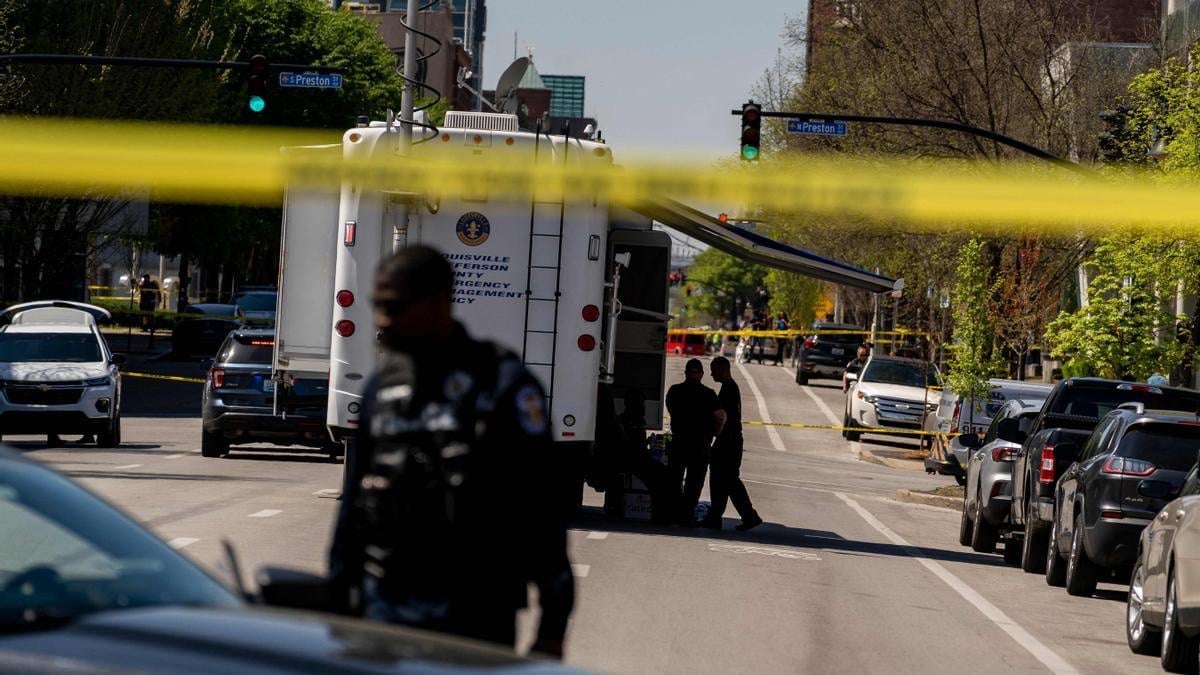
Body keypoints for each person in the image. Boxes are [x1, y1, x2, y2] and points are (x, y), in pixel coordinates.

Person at [328, 245, 573, 657]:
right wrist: (337, 603)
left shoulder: (504, 386)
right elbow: (353, 506)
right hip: (385, 612)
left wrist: (553, 625)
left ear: (439, 303)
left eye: (395, 307)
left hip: (474, 617)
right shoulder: (381, 390)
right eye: (379, 306)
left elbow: (541, 510)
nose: (382, 320)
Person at [701, 357, 762, 531]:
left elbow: (722, 418)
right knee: (724, 480)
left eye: (714, 370)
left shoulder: (729, 389)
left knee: (726, 480)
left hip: (729, 440)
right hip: (729, 440)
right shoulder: (729, 388)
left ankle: (747, 515)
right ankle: (720, 516)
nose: (711, 374)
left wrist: (714, 433)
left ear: (723, 369)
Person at [664, 358, 725, 526]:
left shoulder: (674, 391)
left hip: (679, 441)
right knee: (695, 482)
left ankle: (672, 513)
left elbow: (670, 409)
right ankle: (686, 515)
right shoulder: (709, 393)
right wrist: (715, 432)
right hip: (700, 443)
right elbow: (720, 416)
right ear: (701, 374)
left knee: (675, 479)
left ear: (686, 373)